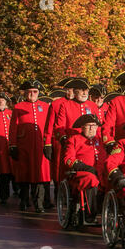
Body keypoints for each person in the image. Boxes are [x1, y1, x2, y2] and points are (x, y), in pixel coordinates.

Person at [9, 80, 50, 212]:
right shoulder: (18, 107)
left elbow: (49, 127)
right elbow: (13, 127)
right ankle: (24, 199)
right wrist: (13, 145)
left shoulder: (45, 106)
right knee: (24, 174)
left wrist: (48, 143)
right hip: (24, 145)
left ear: (38, 93)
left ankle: (39, 203)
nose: (32, 94)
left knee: (40, 175)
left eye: (35, 92)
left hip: (40, 146)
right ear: (25, 93)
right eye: (29, 92)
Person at [64, 114, 107, 222]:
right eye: (89, 126)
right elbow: (68, 159)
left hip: (101, 173)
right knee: (91, 179)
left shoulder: (100, 140)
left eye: (94, 125)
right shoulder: (74, 139)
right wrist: (86, 168)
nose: (92, 128)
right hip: (82, 173)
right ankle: (90, 213)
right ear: (82, 127)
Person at [43, 77, 76, 205]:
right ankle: (59, 194)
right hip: (59, 141)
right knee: (58, 171)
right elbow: (50, 125)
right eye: (68, 89)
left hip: (77, 141)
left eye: (73, 89)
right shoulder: (56, 104)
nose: (70, 92)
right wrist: (47, 143)